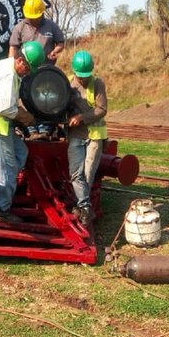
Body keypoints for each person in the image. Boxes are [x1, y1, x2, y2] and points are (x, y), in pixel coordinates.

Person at [0, 41, 45, 223]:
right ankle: (2, 210)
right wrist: (25, 117)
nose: (28, 72)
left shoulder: (7, 65)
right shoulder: (8, 75)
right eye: (28, 68)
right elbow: (4, 108)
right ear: (20, 60)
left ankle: (3, 186)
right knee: (7, 168)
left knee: (22, 152)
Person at [8, 0, 65, 140]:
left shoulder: (51, 26)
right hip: (26, 71)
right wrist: (11, 65)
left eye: (36, 16)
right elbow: (13, 47)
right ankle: (31, 130)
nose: (33, 19)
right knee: (25, 98)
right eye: (30, 17)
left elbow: (60, 43)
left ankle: (45, 129)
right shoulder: (20, 27)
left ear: (42, 13)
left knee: (46, 99)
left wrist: (54, 52)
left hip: (46, 72)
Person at [66, 51, 108, 225]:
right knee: (75, 173)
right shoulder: (68, 83)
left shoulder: (97, 83)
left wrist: (82, 117)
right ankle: (85, 208)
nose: (82, 80)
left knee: (87, 174)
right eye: (79, 76)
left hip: (95, 135)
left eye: (86, 76)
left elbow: (102, 109)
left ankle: (81, 207)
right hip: (76, 135)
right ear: (74, 71)